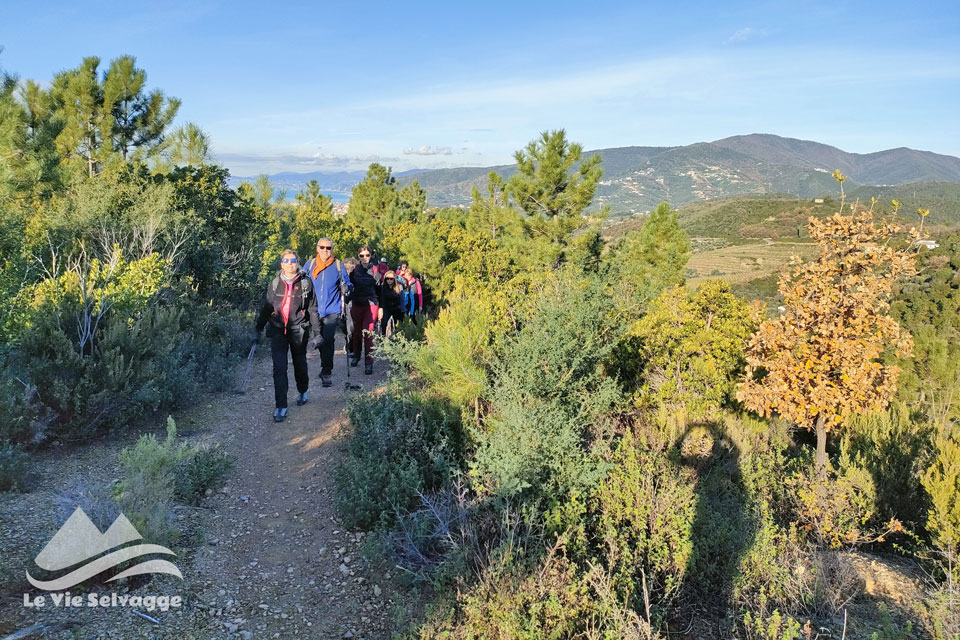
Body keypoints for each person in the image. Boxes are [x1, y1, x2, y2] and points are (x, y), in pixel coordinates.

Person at [253, 249, 321, 422]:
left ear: (297, 262)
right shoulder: (275, 283)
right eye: (286, 260)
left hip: (298, 329)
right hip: (277, 329)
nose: (290, 263)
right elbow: (268, 307)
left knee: (299, 364)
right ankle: (281, 406)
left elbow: (313, 309)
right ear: (281, 263)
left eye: (293, 260)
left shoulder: (306, 283)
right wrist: (258, 328)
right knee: (279, 368)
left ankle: (302, 390)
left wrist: (317, 333)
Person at [302, 237, 351, 387]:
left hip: (332, 309)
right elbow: (300, 281)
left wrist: (347, 288)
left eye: (328, 248)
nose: (325, 251)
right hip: (314, 309)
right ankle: (325, 365)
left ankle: (326, 370)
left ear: (332, 249)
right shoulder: (310, 265)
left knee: (328, 339)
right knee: (320, 338)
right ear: (317, 248)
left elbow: (348, 282)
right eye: (322, 247)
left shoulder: (337, 265)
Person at [345, 255, 379, 374]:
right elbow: (350, 287)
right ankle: (356, 355)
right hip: (357, 303)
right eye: (362, 255)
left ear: (370, 256)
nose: (365, 257)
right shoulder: (355, 271)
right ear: (359, 256)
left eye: (367, 255)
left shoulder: (375, 270)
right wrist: (346, 297)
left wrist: (382, 308)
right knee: (356, 332)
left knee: (368, 333)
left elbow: (380, 289)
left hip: (371, 304)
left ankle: (369, 363)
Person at [377, 270, 406, 337]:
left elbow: (402, 299)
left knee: (398, 324)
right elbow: (381, 299)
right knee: (383, 322)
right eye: (387, 278)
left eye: (391, 279)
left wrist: (403, 309)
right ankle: (383, 337)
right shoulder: (383, 287)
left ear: (394, 279)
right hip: (386, 307)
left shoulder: (399, 286)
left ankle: (398, 338)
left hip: (397, 307)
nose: (389, 280)